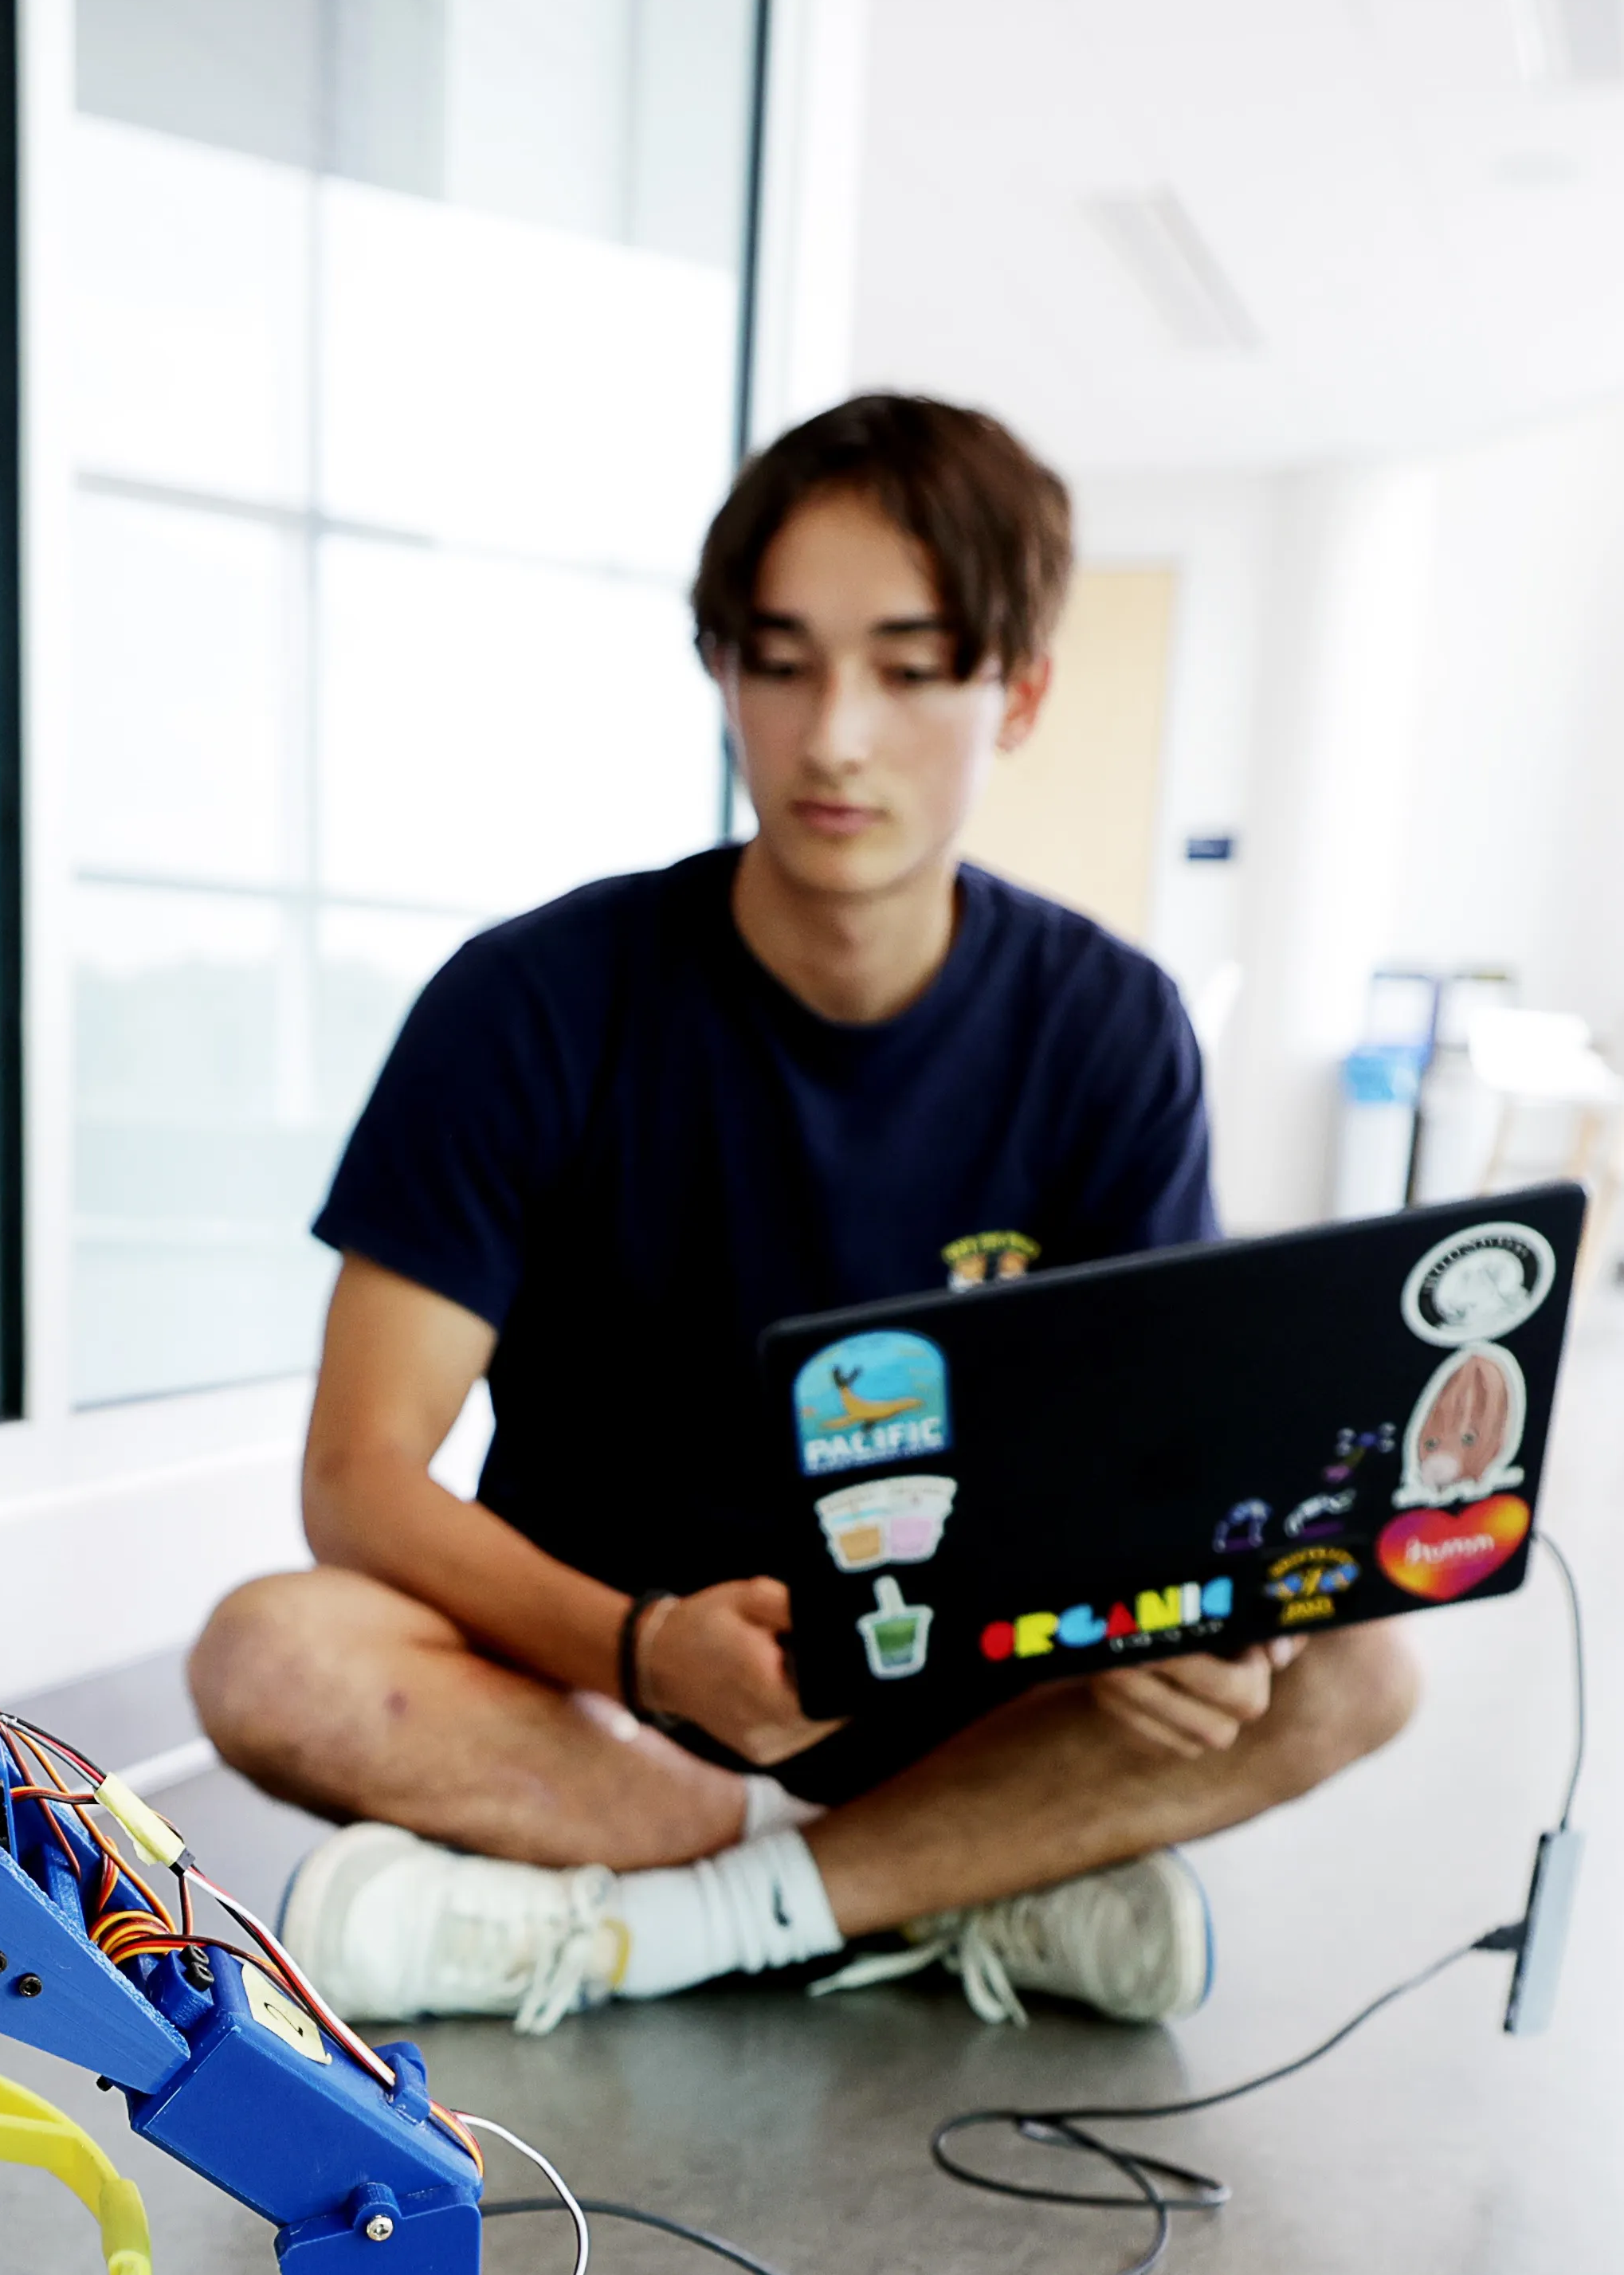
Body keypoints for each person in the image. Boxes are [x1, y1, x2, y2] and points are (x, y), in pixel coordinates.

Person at [197, 394, 1422, 2035]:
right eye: (779, 662)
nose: (836, 733)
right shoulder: (530, 1002)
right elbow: (355, 1480)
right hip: (594, 1697)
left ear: (1019, 690)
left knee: (1355, 1665)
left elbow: (1168, 1475)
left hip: (969, 1690)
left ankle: (687, 1921)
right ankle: (936, 1888)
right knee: (268, 1656)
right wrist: (642, 1650)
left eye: (911, 670)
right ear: (724, 680)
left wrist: (1185, 1629)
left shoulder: (1107, 1023)